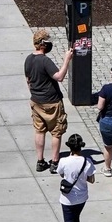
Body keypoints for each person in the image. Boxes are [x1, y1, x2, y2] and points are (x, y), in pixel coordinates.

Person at [25, 28, 75, 172]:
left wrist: (35, 94)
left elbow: (28, 80)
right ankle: (54, 162)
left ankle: (40, 161)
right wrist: (67, 59)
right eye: (47, 43)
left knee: (39, 131)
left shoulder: (28, 59)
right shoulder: (45, 61)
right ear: (41, 44)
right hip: (52, 102)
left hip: (36, 101)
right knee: (56, 132)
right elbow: (59, 77)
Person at [55, 135, 97, 222]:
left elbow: (61, 173)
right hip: (82, 197)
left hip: (67, 197)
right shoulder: (87, 161)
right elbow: (92, 179)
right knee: (76, 218)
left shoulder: (64, 161)